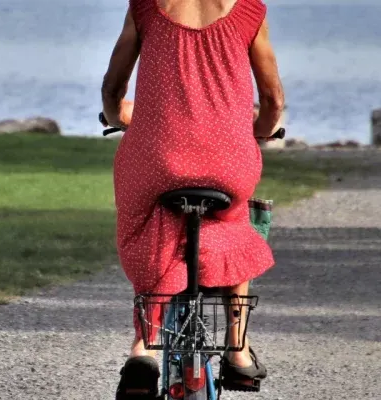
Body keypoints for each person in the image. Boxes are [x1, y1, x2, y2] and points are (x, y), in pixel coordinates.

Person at [99, 0, 285, 397]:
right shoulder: (250, 9)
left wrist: (117, 117)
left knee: (147, 221)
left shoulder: (145, 6)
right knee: (235, 221)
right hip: (227, 160)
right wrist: (262, 130)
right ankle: (237, 349)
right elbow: (273, 101)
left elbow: (114, 87)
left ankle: (144, 347)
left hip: (157, 158)